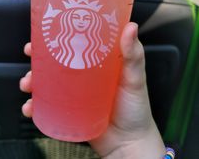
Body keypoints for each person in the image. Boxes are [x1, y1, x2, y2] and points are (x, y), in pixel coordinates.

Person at [20, 22, 170, 159]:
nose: (80, 22)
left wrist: (134, 140)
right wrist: (137, 141)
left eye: (86, 18)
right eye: (76, 17)